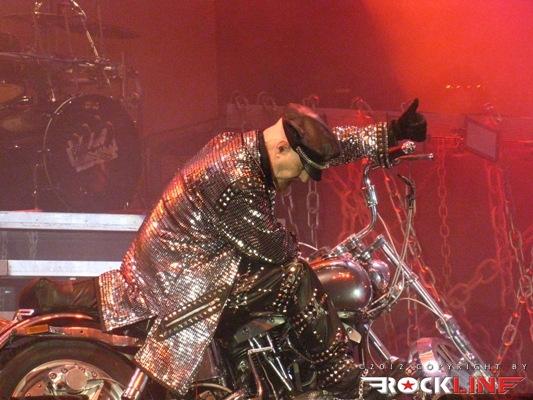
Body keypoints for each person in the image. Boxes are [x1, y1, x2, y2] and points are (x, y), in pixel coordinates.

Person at [98, 100, 427, 396]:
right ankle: (343, 379)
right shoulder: (237, 178)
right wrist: (297, 249)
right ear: (282, 148)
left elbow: (326, 148)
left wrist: (390, 132)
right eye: (302, 168)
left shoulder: (243, 146)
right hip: (182, 287)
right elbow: (274, 248)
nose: (303, 179)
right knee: (294, 276)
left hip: (188, 268)